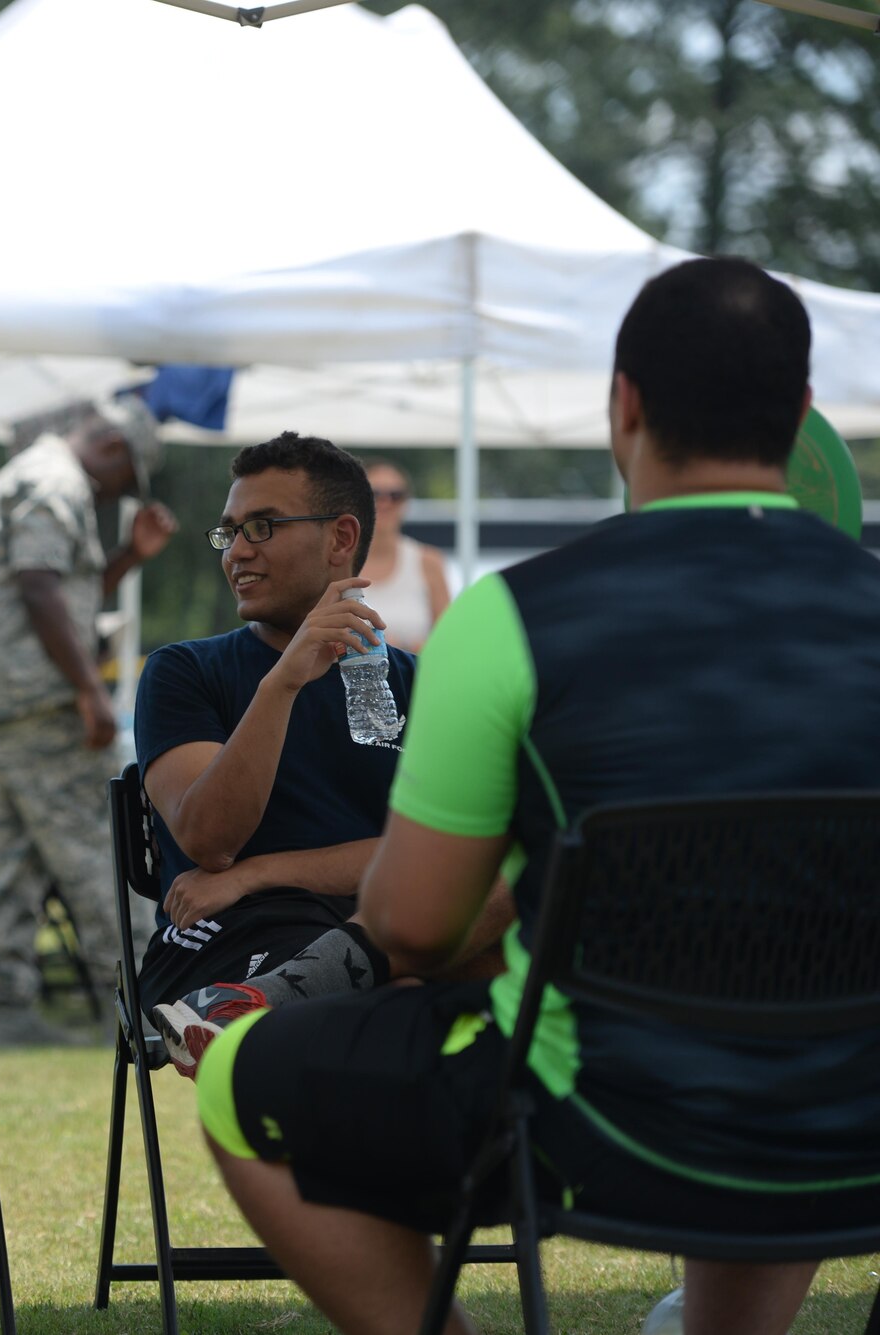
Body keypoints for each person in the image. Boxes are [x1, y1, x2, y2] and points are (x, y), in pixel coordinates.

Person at [201, 257, 880, 1335]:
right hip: (854, 1128)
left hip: (600, 1126)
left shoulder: (511, 617)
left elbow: (412, 926)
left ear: (622, 408)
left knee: (241, 1079)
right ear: (801, 417)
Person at [133, 432, 425, 1079]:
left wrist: (256, 872)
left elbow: (428, 853)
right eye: (229, 531)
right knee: (392, 1010)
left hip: (381, 922)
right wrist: (284, 680)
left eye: (261, 527)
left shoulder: (419, 680)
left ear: (341, 538)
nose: (237, 551)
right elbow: (210, 841)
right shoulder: (186, 671)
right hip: (230, 935)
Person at [0, 396, 177, 1040]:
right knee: (105, 847)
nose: (114, 496)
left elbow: (56, 591)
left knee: (5, 860)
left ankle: (4, 1008)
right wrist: (89, 691)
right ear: (111, 450)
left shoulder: (27, 475)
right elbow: (40, 585)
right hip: (38, 702)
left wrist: (127, 555)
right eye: (123, 483)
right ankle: (136, 1002)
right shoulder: (55, 483)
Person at [355, 457, 449, 651]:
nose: (385, 502)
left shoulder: (429, 561)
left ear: (406, 502)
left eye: (395, 495)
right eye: (375, 494)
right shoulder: (337, 562)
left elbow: (449, 640)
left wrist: (403, 649)